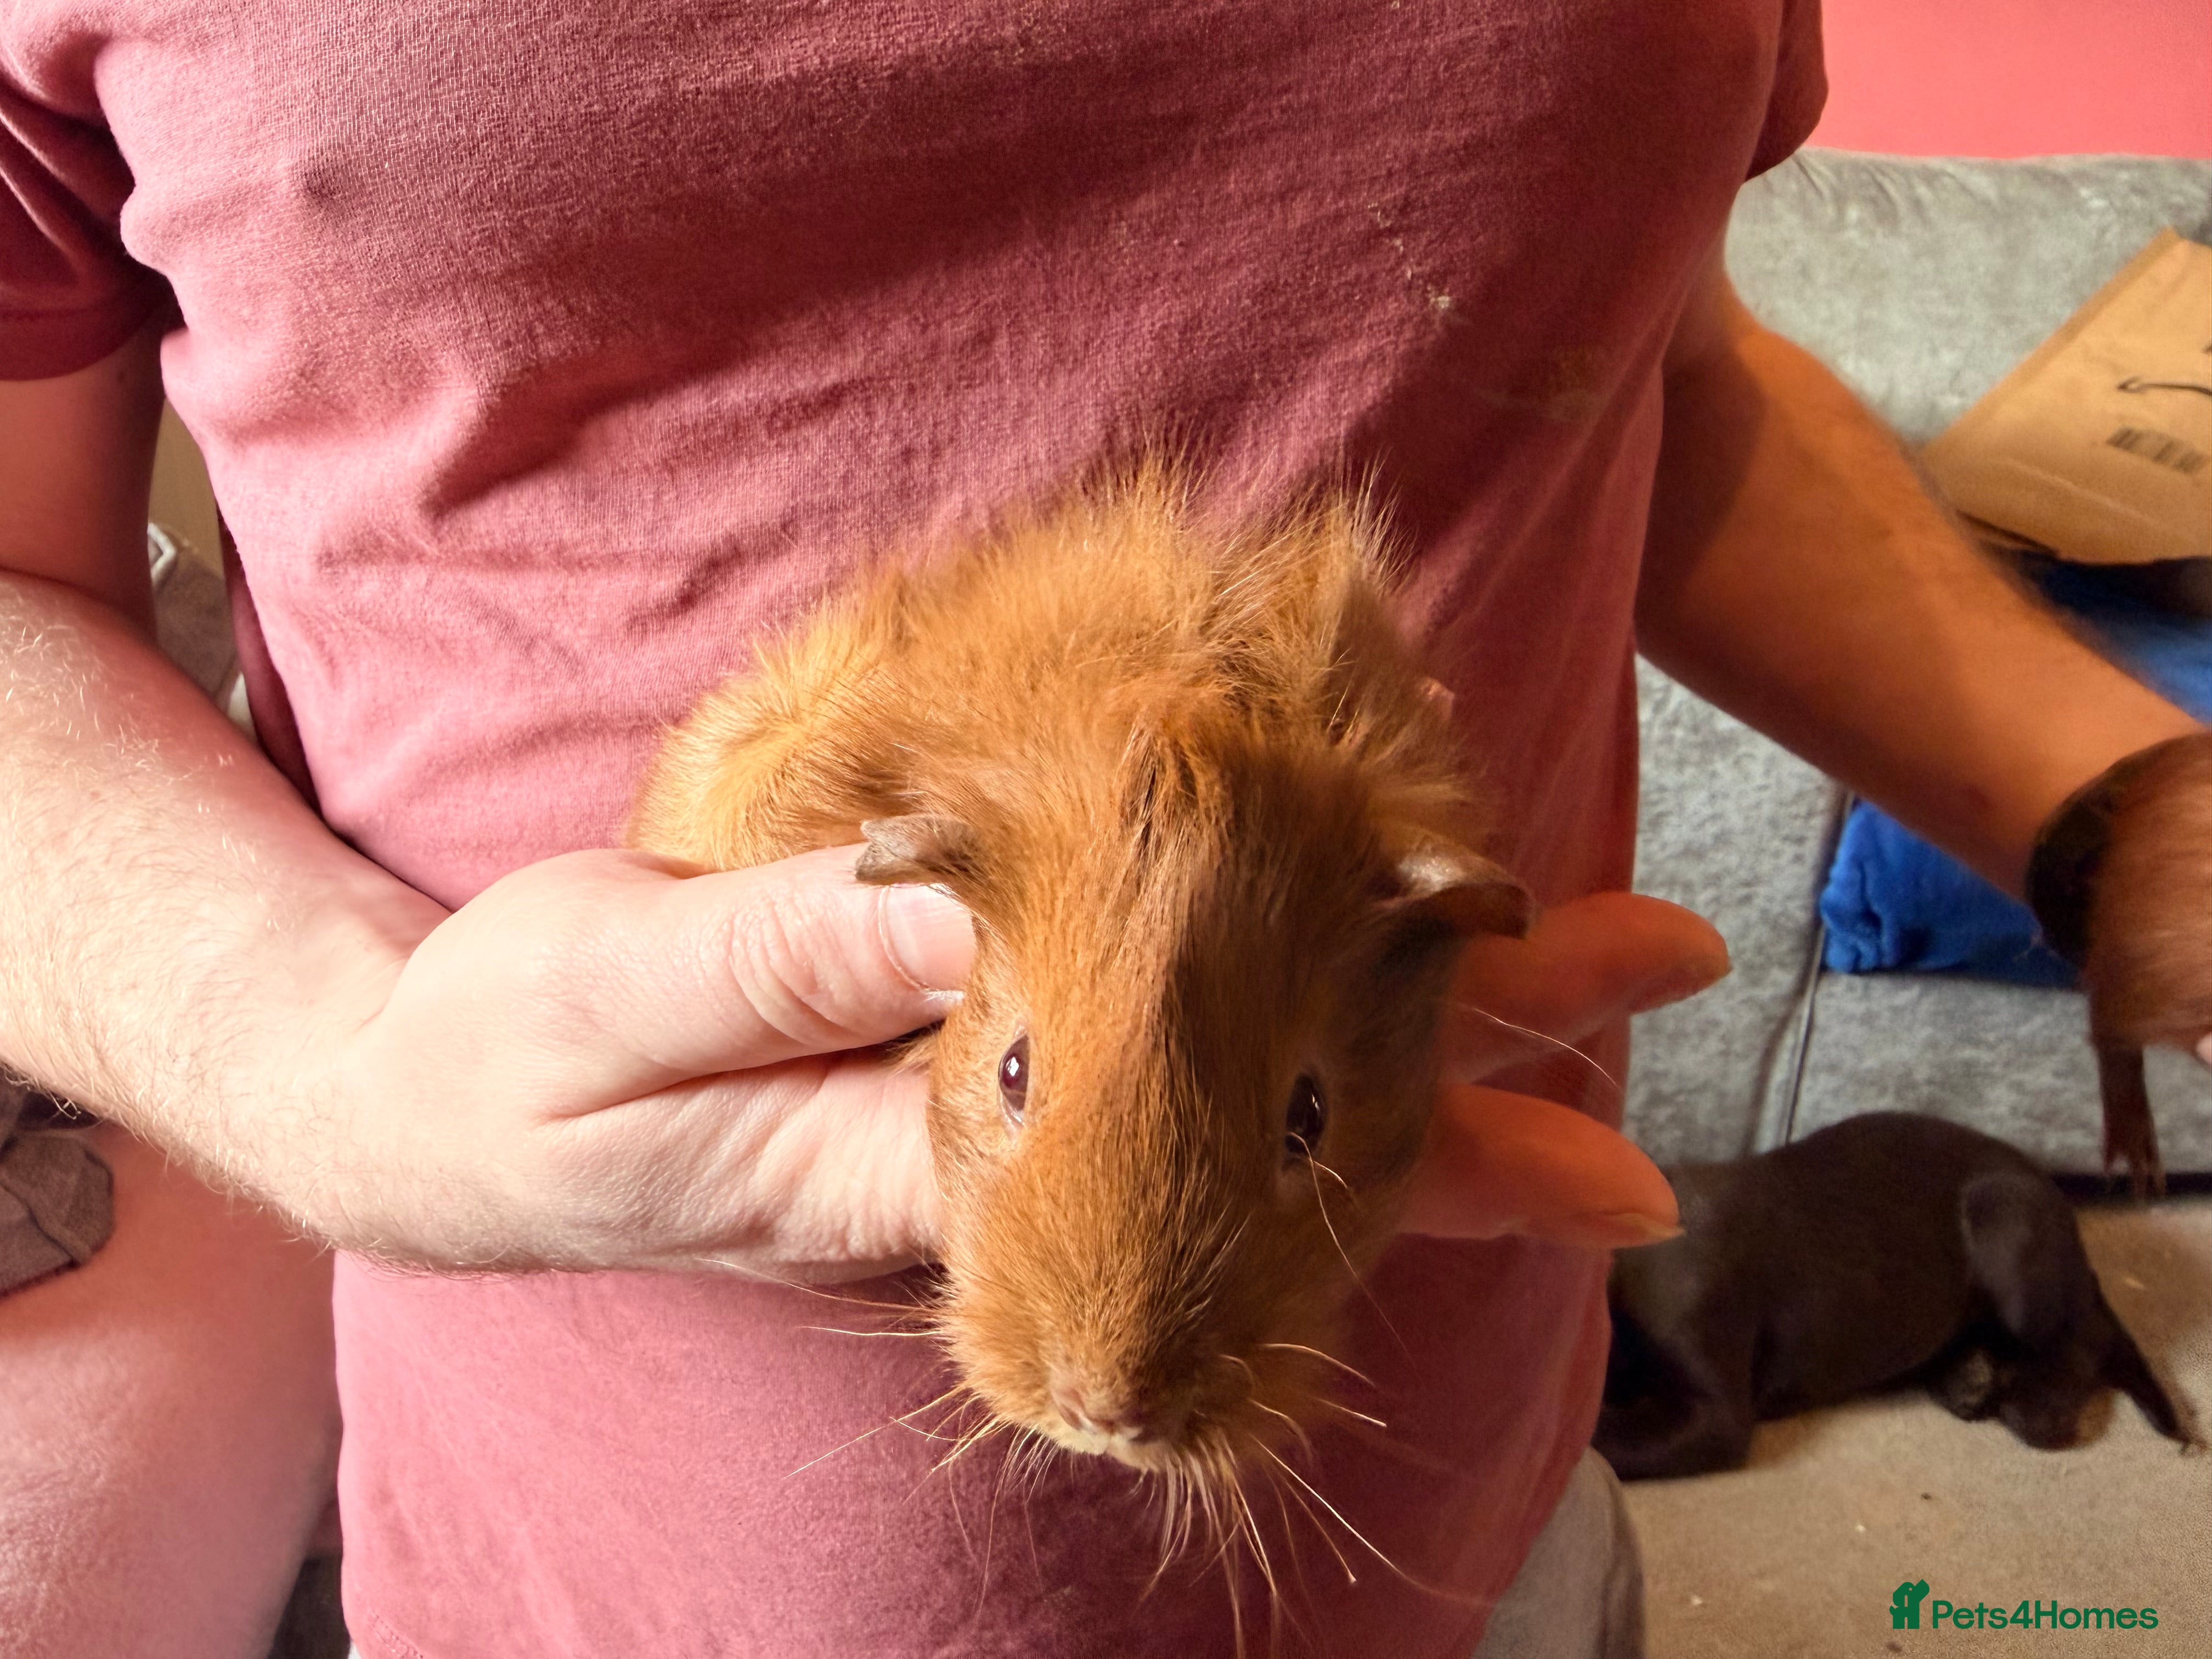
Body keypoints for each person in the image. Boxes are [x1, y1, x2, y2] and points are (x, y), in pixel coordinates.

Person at [1, 3, 2204, 1656]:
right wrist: (344, 1084)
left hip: (1461, 1535)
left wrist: (2132, 820)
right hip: (606, 1576)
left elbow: (1642, 355)